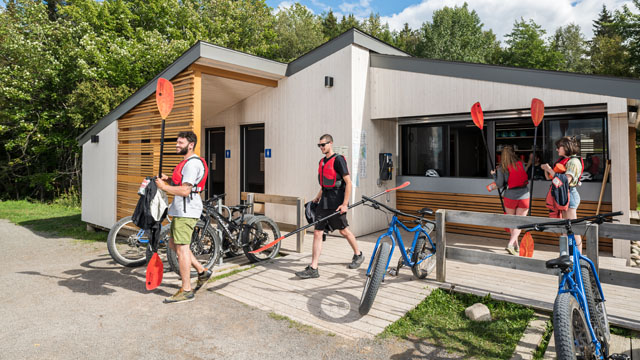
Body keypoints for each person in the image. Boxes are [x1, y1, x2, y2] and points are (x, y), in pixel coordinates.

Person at [295, 134, 364, 279]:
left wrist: (345, 204)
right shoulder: (322, 162)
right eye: (319, 145)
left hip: (337, 202)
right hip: (324, 202)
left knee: (344, 231)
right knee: (317, 232)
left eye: (323, 144)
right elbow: (325, 184)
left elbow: (349, 183)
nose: (321, 147)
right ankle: (314, 267)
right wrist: (317, 197)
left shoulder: (338, 160)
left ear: (331, 143)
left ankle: (358, 254)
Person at [156, 131, 212, 303]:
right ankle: (202, 271)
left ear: (190, 145)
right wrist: (169, 180)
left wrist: (164, 187)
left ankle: (186, 289)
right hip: (181, 211)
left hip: (187, 212)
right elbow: (182, 184)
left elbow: (186, 190)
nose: (177, 145)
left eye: (180, 143)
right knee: (174, 244)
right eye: (177, 142)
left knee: (182, 248)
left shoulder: (192, 164)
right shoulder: (186, 163)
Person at [541, 136, 584, 251]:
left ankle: (579, 257)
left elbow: (566, 181)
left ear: (566, 147)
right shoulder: (566, 161)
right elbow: (553, 179)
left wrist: (550, 170)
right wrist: (547, 170)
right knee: (566, 227)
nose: (557, 150)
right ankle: (566, 254)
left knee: (573, 228)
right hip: (564, 194)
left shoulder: (574, 162)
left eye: (558, 147)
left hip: (570, 195)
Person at [490, 146, 530, 255]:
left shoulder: (502, 168)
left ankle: (510, 243)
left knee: (512, 222)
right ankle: (515, 246)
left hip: (510, 196)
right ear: (514, 153)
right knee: (519, 222)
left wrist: (494, 175)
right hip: (524, 195)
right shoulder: (521, 163)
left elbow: (499, 184)